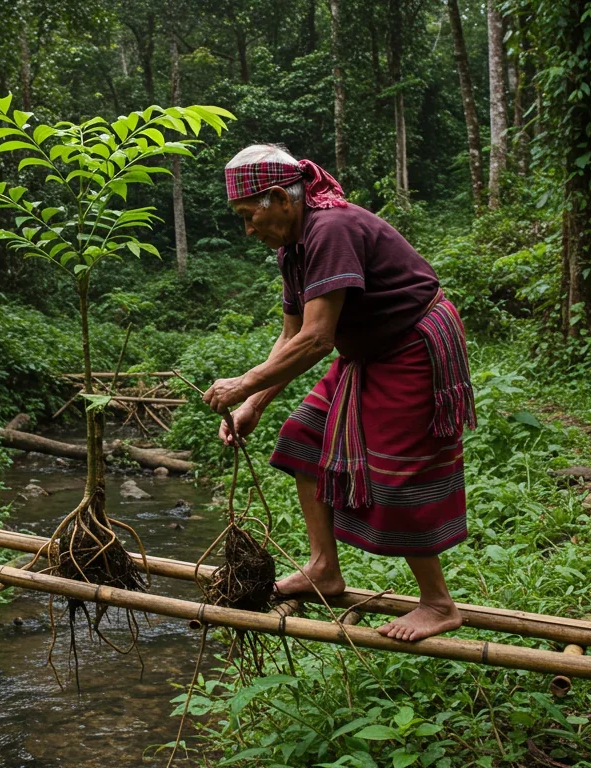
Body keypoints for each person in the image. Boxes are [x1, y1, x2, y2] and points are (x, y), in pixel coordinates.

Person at [202, 144, 476, 642]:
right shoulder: (293, 249)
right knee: (303, 437)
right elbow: (291, 335)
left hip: (410, 345)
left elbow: (317, 338)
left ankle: (438, 604)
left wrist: (243, 382)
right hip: (367, 353)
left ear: (282, 198)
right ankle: (324, 568)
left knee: (395, 467)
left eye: (249, 216)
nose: (248, 229)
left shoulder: (331, 229)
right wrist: (252, 405)